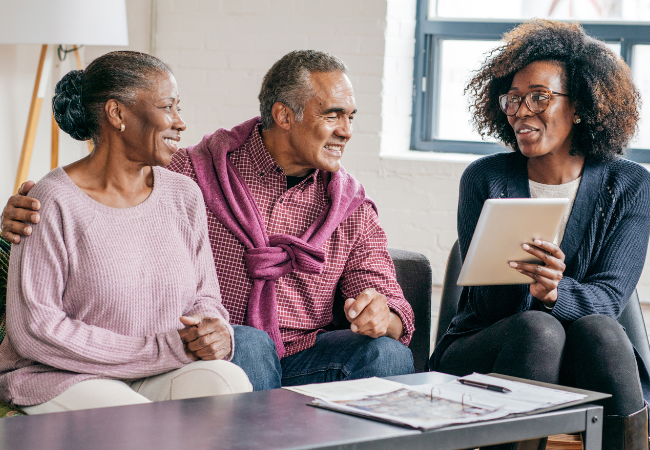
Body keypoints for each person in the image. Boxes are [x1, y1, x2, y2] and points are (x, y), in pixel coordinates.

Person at [2, 50, 415, 391]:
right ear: (285, 116)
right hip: (224, 353)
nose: (346, 131)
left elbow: (385, 294)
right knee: (249, 343)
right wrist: (28, 206)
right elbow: (109, 187)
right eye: (333, 115)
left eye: (351, 117)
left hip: (309, 357)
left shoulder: (351, 207)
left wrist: (384, 314)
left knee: (390, 353)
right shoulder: (192, 174)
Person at [430, 20, 650, 450]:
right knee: (537, 330)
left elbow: (608, 300)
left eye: (539, 96)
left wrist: (555, 292)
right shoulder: (485, 178)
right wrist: (528, 287)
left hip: (587, 353)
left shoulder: (629, 184)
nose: (520, 110)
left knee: (601, 331)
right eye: (512, 98)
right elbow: (488, 305)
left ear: (581, 105)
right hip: (492, 347)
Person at [0, 51, 252, 414]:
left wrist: (215, 331)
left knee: (230, 383)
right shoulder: (50, 201)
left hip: (157, 370)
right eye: (168, 107)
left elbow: (205, 298)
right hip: (61, 375)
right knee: (131, 419)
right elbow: (36, 331)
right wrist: (160, 349)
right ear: (117, 114)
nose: (180, 122)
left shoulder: (184, 196)